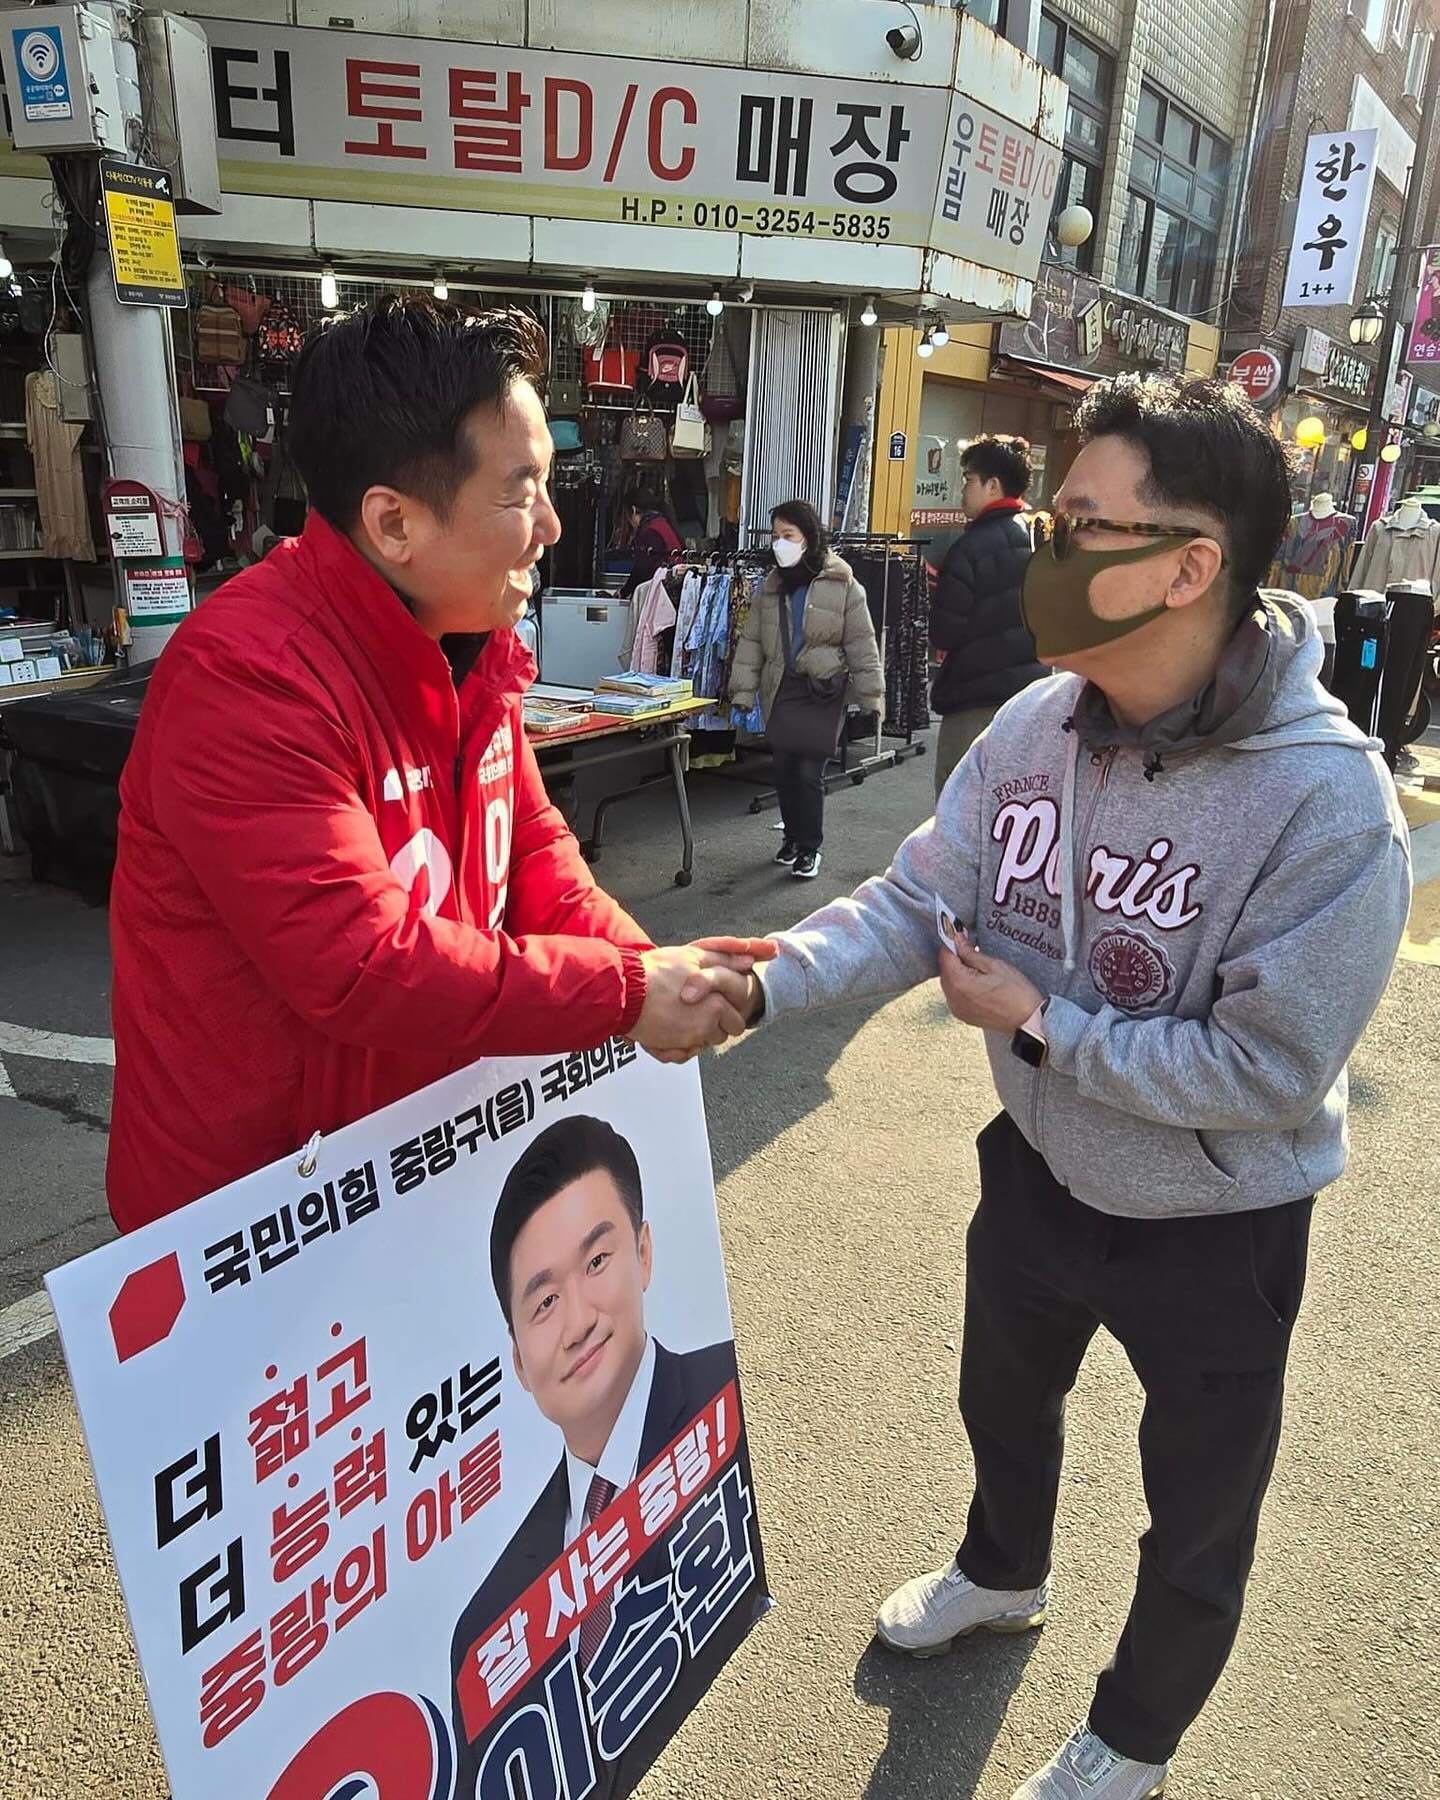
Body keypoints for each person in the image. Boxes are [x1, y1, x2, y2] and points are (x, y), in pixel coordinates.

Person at [723, 375, 1411, 1799]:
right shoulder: (1038, 723)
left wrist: (1043, 1024)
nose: (1046, 550)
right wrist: (758, 983)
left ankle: (1135, 1739)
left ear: (1188, 566)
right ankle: (1002, 1572)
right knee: (1002, 1398)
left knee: (1199, 1512)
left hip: (1217, 1221)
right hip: (1037, 1172)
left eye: (1080, 525)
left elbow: (1271, 1071)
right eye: (1052, 516)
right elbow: (917, 899)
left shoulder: (1328, 804)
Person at [107, 299, 763, 1232]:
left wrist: (656, 970)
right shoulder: (248, 676)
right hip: (261, 1215)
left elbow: (532, 856)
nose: (550, 525)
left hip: (416, 1165)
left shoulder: (471, 642)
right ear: (393, 524)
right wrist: (624, 995)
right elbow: (362, 962)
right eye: (520, 491)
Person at [450, 1115, 751, 1800]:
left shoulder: (726, 1400)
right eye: (545, 1302)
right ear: (518, 1359)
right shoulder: (487, 1628)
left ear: (643, 1253)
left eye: (596, 1262)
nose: (579, 1320)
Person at [729, 500, 884, 880]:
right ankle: (792, 837)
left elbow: (862, 642)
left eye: (789, 535)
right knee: (784, 771)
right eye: (776, 535)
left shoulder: (843, 583)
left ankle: (809, 847)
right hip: (782, 688)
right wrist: (743, 691)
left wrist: (871, 696)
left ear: (809, 537)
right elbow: (752, 642)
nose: (780, 543)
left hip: (822, 690)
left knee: (809, 772)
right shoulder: (771, 586)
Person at [930, 433, 1047, 797]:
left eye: (969, 480)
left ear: (992, 486)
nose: (962, 491)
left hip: (972, 697)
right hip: (1029, 699)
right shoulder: (1037, 541)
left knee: (958, 799)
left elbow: (945, 632)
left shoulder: (969, 549)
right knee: (1013, 799)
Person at [619, 485, 682, 597]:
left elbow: (642, 568)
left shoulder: (650, 532)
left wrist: (624, 592)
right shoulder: (662, 524)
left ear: (633, 510)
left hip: (664, 594)